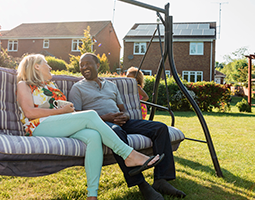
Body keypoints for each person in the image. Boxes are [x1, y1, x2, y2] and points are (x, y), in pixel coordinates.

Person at [16, 54, 163, 200]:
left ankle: (92, 195)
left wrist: (66, 110)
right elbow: (29, 112)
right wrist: (61, 111)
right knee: (91, 114)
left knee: (94, 136)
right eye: (46, 63)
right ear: (36, 66)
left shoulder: (51, 86)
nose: (49, 67)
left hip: (60, 123)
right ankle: (129, 155)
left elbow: (61, 109)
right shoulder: (24, 84)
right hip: (39, 126)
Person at [70, 53, 186, 200]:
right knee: (117, 133)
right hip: (101, 125)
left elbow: (123, 108)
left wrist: (125, 115)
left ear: (98, 65)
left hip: (122, 121)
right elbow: (78, 116)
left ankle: (161, 180)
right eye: (81, 65)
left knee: (160, 128)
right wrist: (106, 117)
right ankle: (142, 185)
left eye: (88, 63)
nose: (84, 67)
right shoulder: (77, 88)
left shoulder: (111, 85)